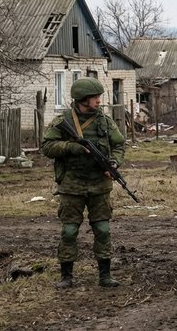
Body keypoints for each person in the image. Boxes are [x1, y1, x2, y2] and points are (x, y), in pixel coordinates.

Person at [41, 77, 126, 288]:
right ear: (82, 99)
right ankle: (66, 276)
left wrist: (114, 163)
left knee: (103, 229)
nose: (99, 101)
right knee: (69, 231)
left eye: (98, 97)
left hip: (99, 185)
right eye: (95, 97)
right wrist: (72, 148)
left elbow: (119, 145)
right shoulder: (63, 121)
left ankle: (105, 275)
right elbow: (47, 147)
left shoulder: (105, 121)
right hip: (72, 185)